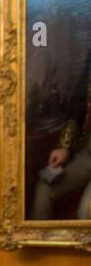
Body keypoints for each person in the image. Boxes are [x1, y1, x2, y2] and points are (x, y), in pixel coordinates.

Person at [31, 44, 91, 221]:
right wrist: (64, 147)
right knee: (44, 190)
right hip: (87, 154)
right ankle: (40, 248)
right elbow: (79, 104)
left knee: (87, 210)